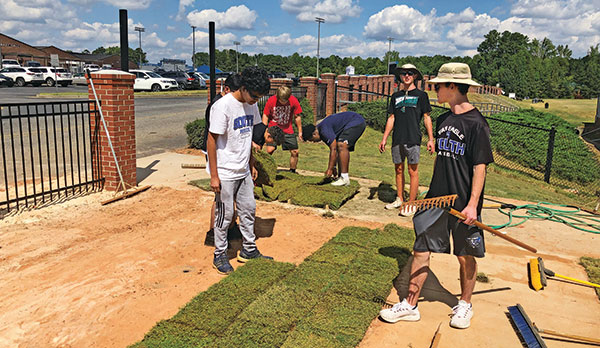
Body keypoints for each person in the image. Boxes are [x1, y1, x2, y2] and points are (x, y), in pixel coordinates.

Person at [379, 62, 493, 329]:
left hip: (464, 202)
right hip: (436, 199)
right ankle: (410, 305)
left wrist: (473, 206)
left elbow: (480, 168)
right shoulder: (443, 120)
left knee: (465, 255)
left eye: (439, 85)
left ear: (453, 87)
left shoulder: (477, 124)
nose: (435, 89)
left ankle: (464, 304)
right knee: (421, 248)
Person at [206, 66, 273, 275]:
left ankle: (249, 250)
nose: (255, 100)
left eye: (259, 97)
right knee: (224, 215)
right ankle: (220, 254)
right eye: (254, 95)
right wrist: (215, 176)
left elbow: (248, 139)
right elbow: (211, 140)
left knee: (248, 209)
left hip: (243, 170)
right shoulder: (222, 107)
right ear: (243, 87)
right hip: (225, 171)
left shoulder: (250, 105)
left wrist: (251, 165)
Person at [379, 64, 434, 216]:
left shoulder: (422, 96)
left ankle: (412, 202)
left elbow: (427, 117)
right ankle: (400, 198)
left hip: (413, 138)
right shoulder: (395, 96)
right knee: (398, 169)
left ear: (415, 76)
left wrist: (431, 139)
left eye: (410, 73)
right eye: (404, 73)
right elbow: (391, 118)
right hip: (398, 138)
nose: (407, 76)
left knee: (412, 170)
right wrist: (384, 138)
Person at [201, 73, 242, 247]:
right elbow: (213, 138)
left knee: (230, 197)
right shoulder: (217, 105)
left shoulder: (226, 103)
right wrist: (214, 174)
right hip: (216, 153)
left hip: (224, 153)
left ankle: (230, 227)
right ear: (227, 90)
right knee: (220, 198)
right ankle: (213, 233)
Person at [301, 111, 366, 186]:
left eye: (312, 140)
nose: (313, 142)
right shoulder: (322, 130)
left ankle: (344, 178)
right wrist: (334, 167)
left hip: (356, 121)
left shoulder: (324, 130)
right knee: (340, 147)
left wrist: (330, 169)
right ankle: (340, 177)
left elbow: (333, 149)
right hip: (352, 123)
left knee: (341, 145)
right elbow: (335, 151)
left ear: (314, 134)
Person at [262, 86, 303, 172]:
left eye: (286, 100)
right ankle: (265, 169)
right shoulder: (271, 100)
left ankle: (292, 171)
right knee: (270, 150)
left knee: (295, 151)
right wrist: (264, 129)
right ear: (277, 96)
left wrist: (300, 132)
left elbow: (297, 117)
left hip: (287, 129)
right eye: (282, 100)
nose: (284, 102)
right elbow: (265, 115)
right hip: (274, 128)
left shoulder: (293, 100)